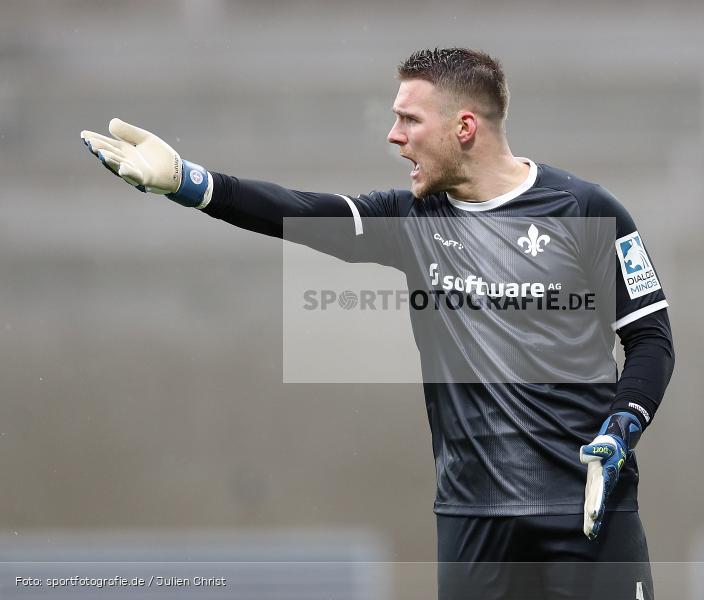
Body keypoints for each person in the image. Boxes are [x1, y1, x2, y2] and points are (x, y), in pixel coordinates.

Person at [80, 47, 674, 599]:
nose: (395, 136)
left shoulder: (585, 210)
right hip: (473, 523)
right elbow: (298, 210)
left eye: (410, 120)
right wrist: (190, 182)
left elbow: (650, 338)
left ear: (464, 127)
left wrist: (624, 425)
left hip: (591, 514)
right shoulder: (411, 220)